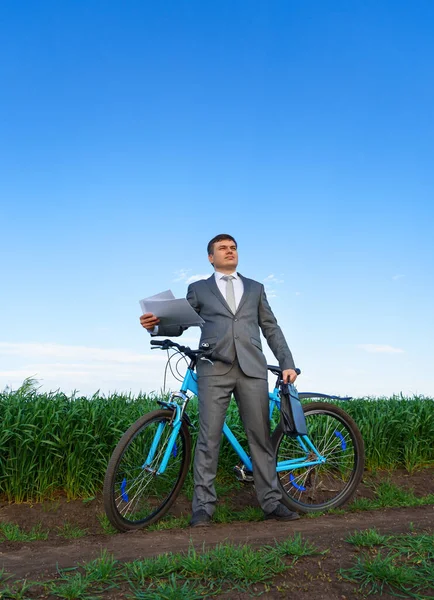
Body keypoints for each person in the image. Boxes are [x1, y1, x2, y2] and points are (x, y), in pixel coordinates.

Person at [140, 234, 299, 526]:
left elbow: (271, 327)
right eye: (222, 249)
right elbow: (180, 321)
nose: (229, 251)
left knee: (261, 438)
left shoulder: (255, 288)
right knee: (208, 439)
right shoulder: (199, 289)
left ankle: (272, 503)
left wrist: (288, 363)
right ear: (211, 257)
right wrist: (156, 324)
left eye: (233, 248)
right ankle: (203, 508)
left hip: (252, 369)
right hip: (213, 368)